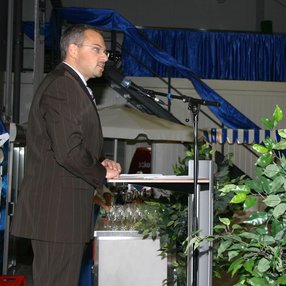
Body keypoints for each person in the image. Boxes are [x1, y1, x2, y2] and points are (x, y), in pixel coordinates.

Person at [11, 24, 121, 286]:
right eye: (97, 49)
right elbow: (68, 151)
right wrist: (100, 172)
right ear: (73, 50)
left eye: (105, 51)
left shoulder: (72, 84)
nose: (104, 57)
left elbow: (68, 143)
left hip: (61, 214)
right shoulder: (63, 85)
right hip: (57, 213)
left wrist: (97, 161)